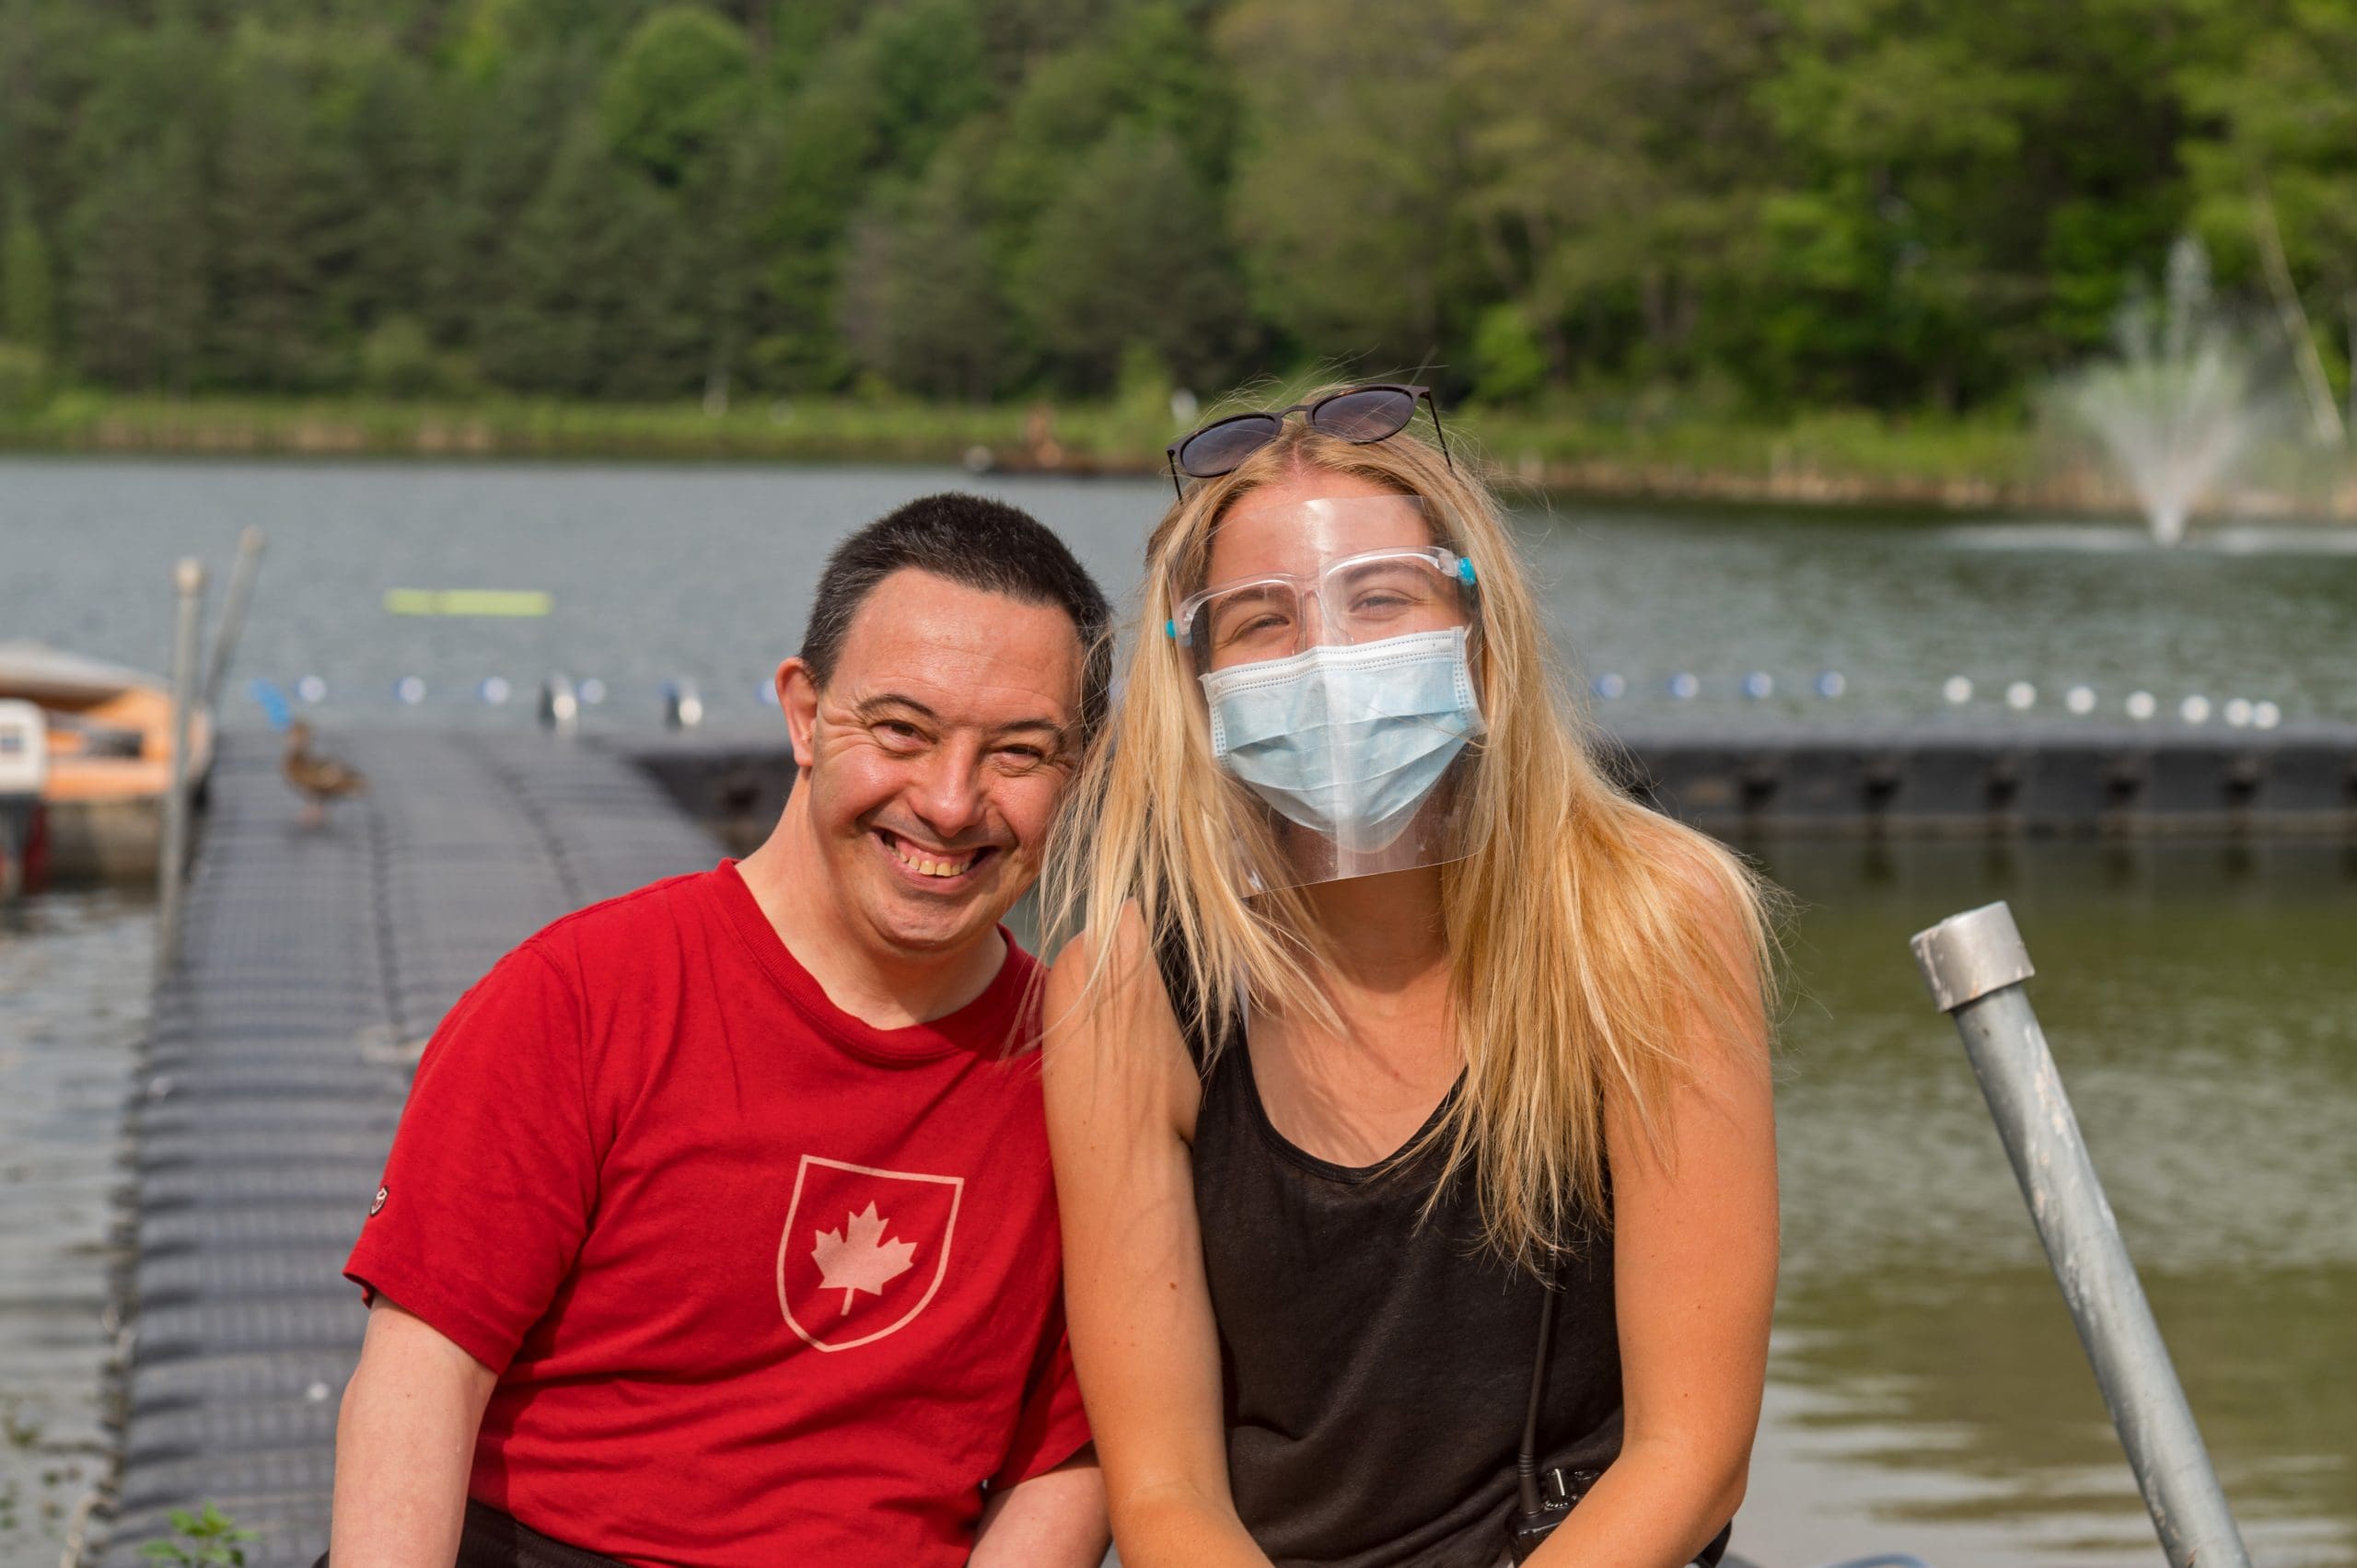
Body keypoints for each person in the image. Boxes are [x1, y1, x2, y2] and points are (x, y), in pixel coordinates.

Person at [1042, 385, 1781, 1568]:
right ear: (1196, 676)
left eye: (1379, 599)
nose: (1327, 656)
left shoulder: (1650, 919)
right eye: (1261, 621)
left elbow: (1690, 1453)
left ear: (1478, 626)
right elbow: (1168, 1490)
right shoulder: (1129, 987)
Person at [329, 494, 1113, 1568]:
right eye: (901, 730)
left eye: (1018, 752)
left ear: (1081, 772)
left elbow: (1062, 1463)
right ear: (802, 712)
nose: (948, 799)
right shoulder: (581, 997)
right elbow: (422, 1375)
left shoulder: (1086, 1074)